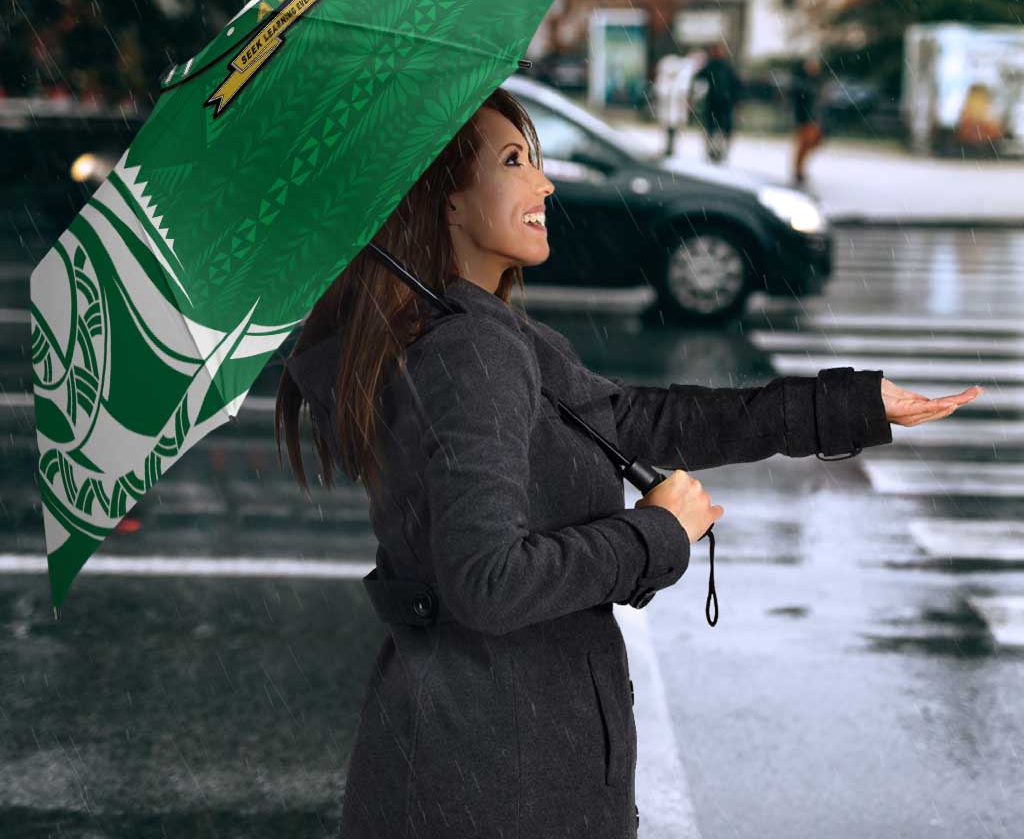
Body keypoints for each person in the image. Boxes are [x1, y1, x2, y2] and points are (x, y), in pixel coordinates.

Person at [275, 86, 972, 839]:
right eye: (514, 162)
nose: (545, 183)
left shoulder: (471, 333)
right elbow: (488, 582)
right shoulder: (470, 351)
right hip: (498, 777)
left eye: (536, 160)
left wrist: (849, 406)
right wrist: (657, 534)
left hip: (476, 756)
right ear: (447, 200)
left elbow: (639, 420)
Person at [692, 41, 742, 164]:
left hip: (722, 104)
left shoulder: (724, 67)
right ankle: (713, 152)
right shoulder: (714, 66)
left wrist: (735, 99)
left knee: (719, 130)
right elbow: (698, 78)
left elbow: (736, 85)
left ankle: (719, 152)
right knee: (714, 129)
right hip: (716, 103)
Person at [790, 54, 826, 185]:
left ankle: (799, 169)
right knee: (804, 144)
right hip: (805, 118)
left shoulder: (816, 81)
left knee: (812, 142)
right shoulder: (802, 82)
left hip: (814, 118)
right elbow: (799, 101)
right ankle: (798, 170)